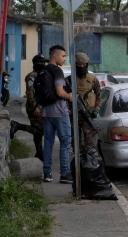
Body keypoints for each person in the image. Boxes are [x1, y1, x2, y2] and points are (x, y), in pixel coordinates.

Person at [41, 45, 73, 183]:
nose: (64, 59)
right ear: (54, 56)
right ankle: (65, 173)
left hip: (47, 112)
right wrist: (70, 97)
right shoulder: (57, 71)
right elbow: (60, 92)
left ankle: (47, 174)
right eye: (63, 56)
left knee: (48, 142)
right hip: (60, 112)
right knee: (65, 142)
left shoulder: (43, 70)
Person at [10, 54, 48, 160]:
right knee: (41, 130)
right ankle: (17, 125)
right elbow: (30, 92)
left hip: (40, 106)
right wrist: (34, 107)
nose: (44, 64)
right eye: (42, 62)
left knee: (37, 131)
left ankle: (39, 152)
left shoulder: (42, 74)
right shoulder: (32, 76)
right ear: (36, 63)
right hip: (34, 107)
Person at [66, 52, 101, 147]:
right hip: (74, 115)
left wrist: (96, 109)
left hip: (88, 114)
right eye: (78, 64)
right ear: (75, 65)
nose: (81, 66)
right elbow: (64, 98)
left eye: (83, 64)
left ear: (87, 65)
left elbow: (99, 95)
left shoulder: (93, 79)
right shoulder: (69, 80)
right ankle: (77, 160)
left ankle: (89, 160)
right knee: (75, 143)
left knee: (90, 142)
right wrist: (67, 110)